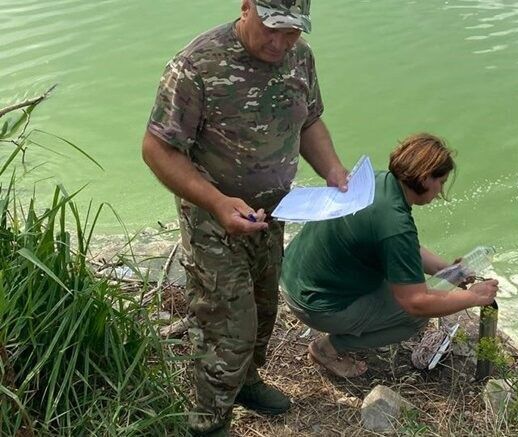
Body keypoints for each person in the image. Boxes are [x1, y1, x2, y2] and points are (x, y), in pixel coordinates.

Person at [141, 0, 348, 434]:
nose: (280, 43)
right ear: (247, 7)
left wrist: (331, 169)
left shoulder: (300, 57)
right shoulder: (196, 65)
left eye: (292, 32)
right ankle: (208, 421)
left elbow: (309, 122)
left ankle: (246, 382)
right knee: (227, 328)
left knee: (263, 310)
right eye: (272, 29)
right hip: (213, 222)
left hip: (272, 216)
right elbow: (157, 149)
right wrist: (216, 202)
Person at [281, 133, 499, 377]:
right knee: (413, 319)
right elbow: (416, 303)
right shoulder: (395, 224)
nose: (440, 190)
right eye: (441, 181)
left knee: (406, 285)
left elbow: (403, 250)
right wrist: (473, 298)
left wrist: (446, 270)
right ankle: (328, 349)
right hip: (315, 304)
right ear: (426, 179)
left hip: (292, 275)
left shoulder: (377, 181)